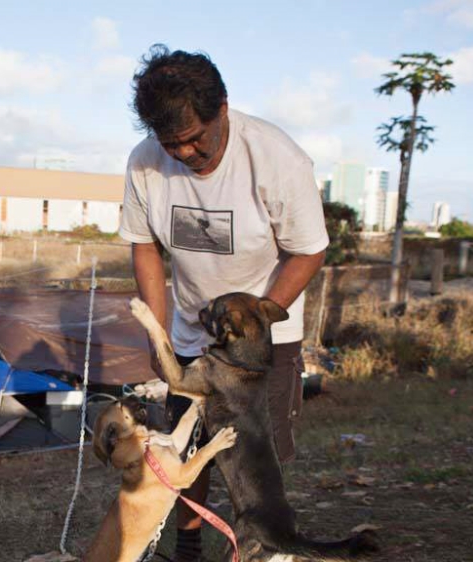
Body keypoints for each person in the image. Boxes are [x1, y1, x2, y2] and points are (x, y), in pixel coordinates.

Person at [119, 45, 329, 562]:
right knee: (188, 452)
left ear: (223, 108)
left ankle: (267, 549)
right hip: (193, 337)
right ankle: (188, 548)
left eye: (195, 139)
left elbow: (309, 250)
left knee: (258, 457)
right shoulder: (146, 162)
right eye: (173, 144)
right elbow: (144, 244)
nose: (186, 154)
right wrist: (159, 333)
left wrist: (257, 320)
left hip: (264, 342)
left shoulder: (278, 159)